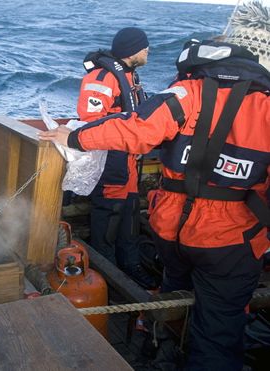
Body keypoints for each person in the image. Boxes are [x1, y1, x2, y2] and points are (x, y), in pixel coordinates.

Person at [40, 39, 270, 370]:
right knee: (219, 333)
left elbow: (135, 126)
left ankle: (162, 353)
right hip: (232, 242)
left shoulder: (186, 93)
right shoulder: (265, 105)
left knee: (174, 298)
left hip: (174, 233)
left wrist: (74, 137)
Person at [76, 27, 155, 288]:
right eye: (145, 47)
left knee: (130, 216)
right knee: (108, 219)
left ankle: (130, 267)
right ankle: (107, 278)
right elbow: (91, 122)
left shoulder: (131, 77)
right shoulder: (101, 78)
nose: (148, 50)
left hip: (129, 161)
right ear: (133, 50)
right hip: (111, 161)